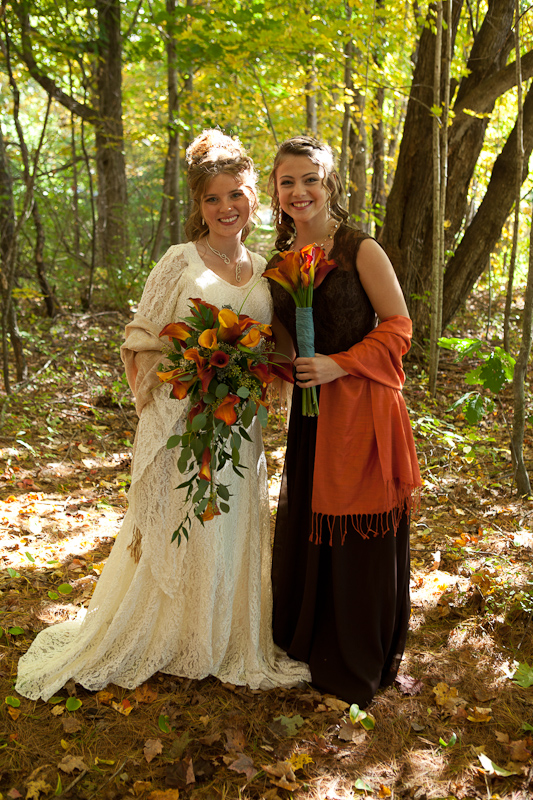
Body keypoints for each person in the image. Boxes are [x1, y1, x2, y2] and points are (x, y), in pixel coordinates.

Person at [15, 129, 310, 701]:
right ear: (199, 205)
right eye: (212, 198)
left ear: (254, 195)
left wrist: (257, 375)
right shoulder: (179, 261)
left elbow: (276, 347)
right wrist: (189, 371)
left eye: (236, 194)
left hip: (239, 423)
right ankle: (165, 633)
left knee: (227, 522)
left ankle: (218, 635)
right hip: (183, 418)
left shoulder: (266, 268)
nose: (226, 207)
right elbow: (140, 338)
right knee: (183, 518)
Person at [266, 135, 421, 707]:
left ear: (329, 183)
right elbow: (283, 343)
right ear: (275, 191)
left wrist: (339, 364)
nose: (299, 191)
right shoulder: (278, 263)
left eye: (310, 179)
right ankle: (309, 644)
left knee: (359, 535)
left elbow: (399, 327)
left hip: (361, 410)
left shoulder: (360, 248)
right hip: (311, 417)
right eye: (287, 181)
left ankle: (354, 660)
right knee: (311, 529)